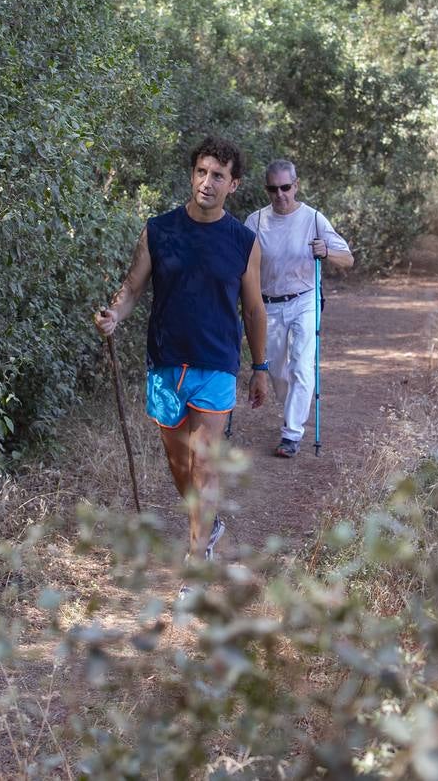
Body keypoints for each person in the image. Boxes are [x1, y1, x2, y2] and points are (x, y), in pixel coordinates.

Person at [95, 135, 268, 587]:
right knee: (180, 466)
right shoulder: (159, 230)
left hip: (216, 364)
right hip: (166, 361)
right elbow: (132, 288)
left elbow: (253, 311)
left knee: (204, 464)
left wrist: (260, 368)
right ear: (192, 175)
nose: (207, 182)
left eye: (218, 176)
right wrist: (114, 314)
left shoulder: (244, 242)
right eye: (201, 172)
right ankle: (207, 525)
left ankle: (196, 560)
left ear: (233, 185)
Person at [245, 159, 353, 458]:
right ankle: (292, 408)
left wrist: (326, 251)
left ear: (296, 186)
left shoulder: (314, 219)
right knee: (278, 371)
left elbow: (348, 259)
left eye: (285, 187)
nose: (280, 194)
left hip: (305, 299)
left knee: (302, 366)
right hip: (269, 304)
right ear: (266, 189)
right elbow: (241, 262)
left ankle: (291, 434)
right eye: (273, 189)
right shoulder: (255, 221)